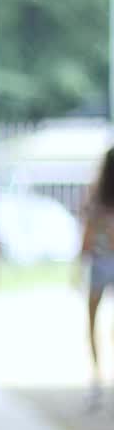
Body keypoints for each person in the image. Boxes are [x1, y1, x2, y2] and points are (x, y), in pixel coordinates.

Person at [79, 148, 114, 412]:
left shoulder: (96, 193)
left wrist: (80, 261)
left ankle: (96, 377)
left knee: (92, 322)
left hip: (99, 263)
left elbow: (87, 234)